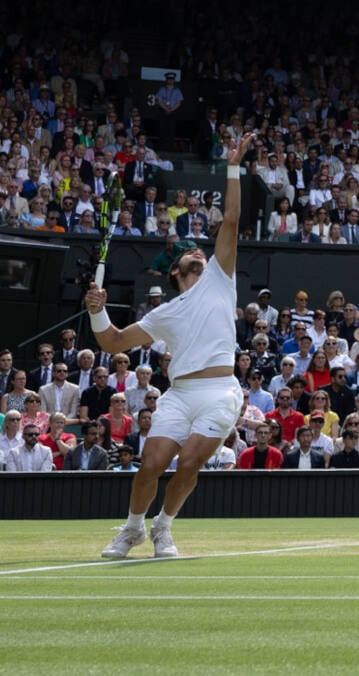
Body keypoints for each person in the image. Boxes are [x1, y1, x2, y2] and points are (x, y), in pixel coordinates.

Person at [90, 147, 260, 551]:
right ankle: (132, 528)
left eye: (200, 252)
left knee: (188, 464)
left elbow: (232, 219)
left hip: (220, 392)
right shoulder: (164, 313)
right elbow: (112, 341)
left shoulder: (220, 277)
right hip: (180, 394)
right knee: (149, 465)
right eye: (191, 256)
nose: (199, 253)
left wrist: (233, 166)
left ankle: (163, 525)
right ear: (176, 273)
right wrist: (97, 312)